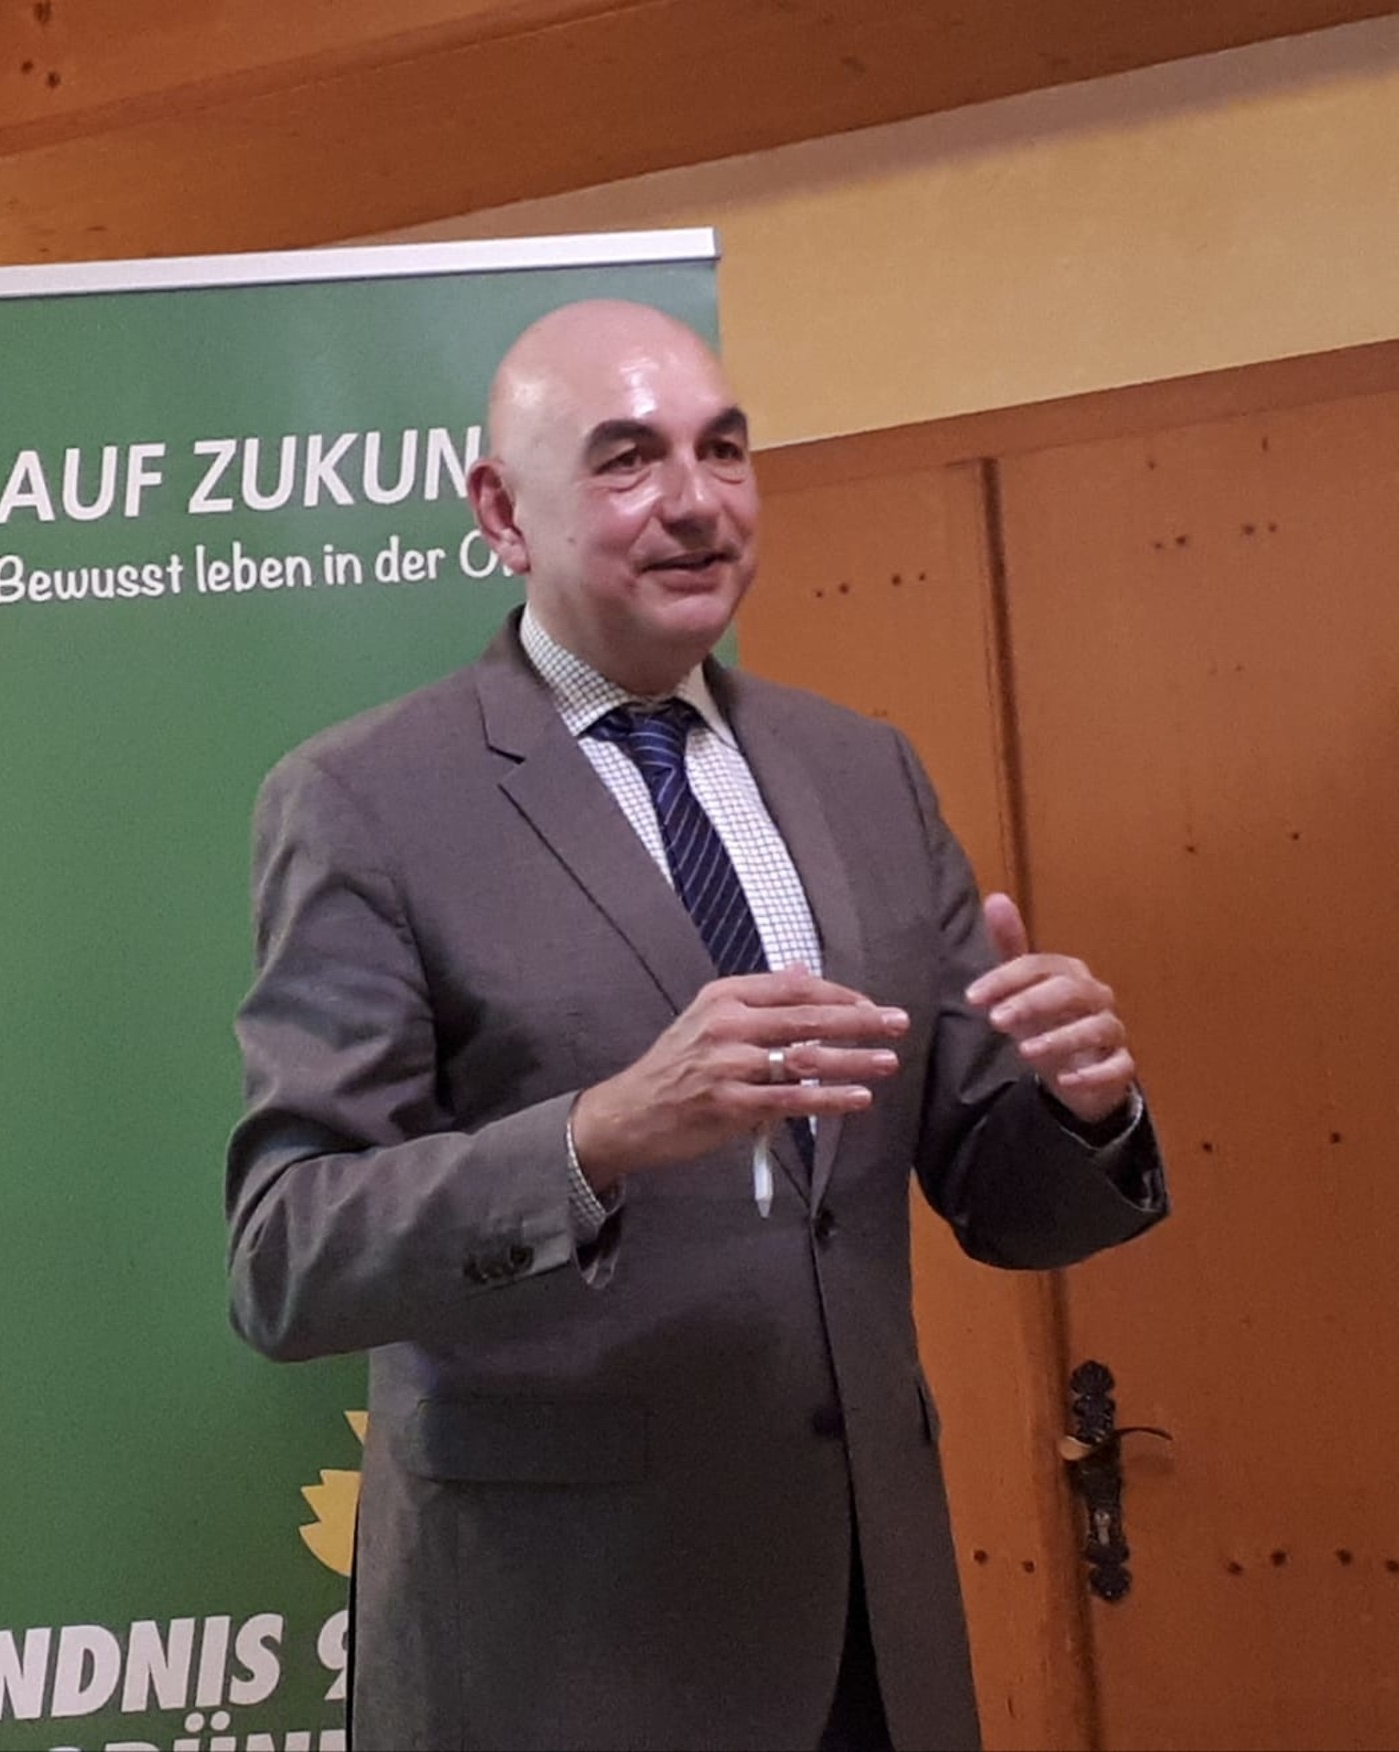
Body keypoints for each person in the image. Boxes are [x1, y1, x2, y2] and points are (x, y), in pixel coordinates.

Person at [225, 299, 1165, 1751]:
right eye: (626, 459)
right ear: (502, 513)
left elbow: (1004, 1200)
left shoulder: (864, 771)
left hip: (870, 1631)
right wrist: (599, 1135)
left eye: (723, 450)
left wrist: (1081, 1110)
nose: (695, 500)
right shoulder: (364, 801)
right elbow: (289, 1259)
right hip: (564, 1651)